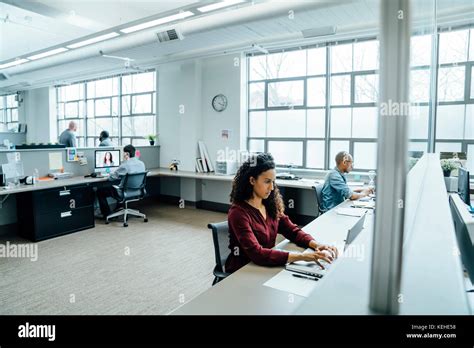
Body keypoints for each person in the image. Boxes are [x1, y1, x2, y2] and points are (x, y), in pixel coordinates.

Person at [225, 153, 338, 274]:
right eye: (267, 182)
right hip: (243, 271)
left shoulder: (270, 205)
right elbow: (257, 254)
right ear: (252, 180)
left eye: (273, 182)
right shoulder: (238, 213)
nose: (272, 187)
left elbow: (292, 231)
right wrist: (303, 257)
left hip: (266, 265)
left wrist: (316, 245)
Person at [96, 144, 146, 218]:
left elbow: (111, 178)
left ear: (127, 154)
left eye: (124, 153)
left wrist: (109, 174)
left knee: (100, 191)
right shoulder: (142, 163)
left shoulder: (125, 165)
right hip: (138, 191)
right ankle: (118, 208)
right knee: (119, 186)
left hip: (124, 192)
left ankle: (106, 214)